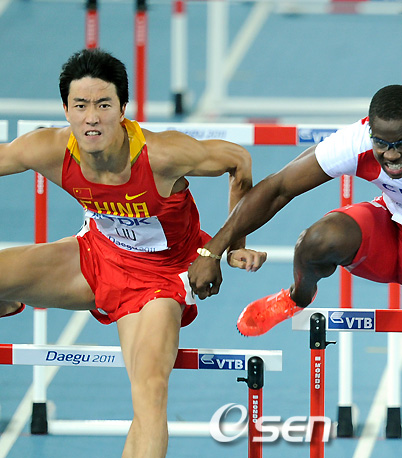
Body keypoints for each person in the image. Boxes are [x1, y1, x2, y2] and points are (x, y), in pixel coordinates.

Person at [188, 84, 402, 458]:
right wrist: (212, 250)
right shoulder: (357, 141)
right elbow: (279, 187)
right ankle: (297, 297)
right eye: (382, 143)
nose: (391, 155)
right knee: (318, 240)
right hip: (390, 231)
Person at [0, 48, 266, 458]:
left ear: (123, 109)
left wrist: (228, 249)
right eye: (80, 106)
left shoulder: (162, 155)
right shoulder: (48, 149)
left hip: (160, 281)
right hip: (96, 256)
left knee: (149, 392)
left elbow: (239, 159)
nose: (92, 117)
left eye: (103, 105)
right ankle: (8, 298)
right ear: (66, 111)